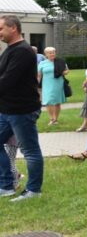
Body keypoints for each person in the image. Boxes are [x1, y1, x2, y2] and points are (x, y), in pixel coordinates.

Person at [0, 15, 44, 201]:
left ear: (13, 29)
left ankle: (33, 190)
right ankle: (7, 185)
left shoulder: (23, 51)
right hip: (7, 109)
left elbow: (7, 81)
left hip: (22, 110)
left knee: (31, 151)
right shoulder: (9, 50)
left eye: (1, 28)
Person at [37, 47, 68, 125]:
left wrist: (62, 72)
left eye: (53, 52)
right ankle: (52, 118)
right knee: (48, 101)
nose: (52, 54)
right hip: (46, 84)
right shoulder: (42, 63)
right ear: (46, 54)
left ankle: (55, 119)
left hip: (58, 83)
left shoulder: (60, 61)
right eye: (50, 53)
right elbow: (39, 75)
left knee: (57, 102)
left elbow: (67, 71)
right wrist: (37, 85)